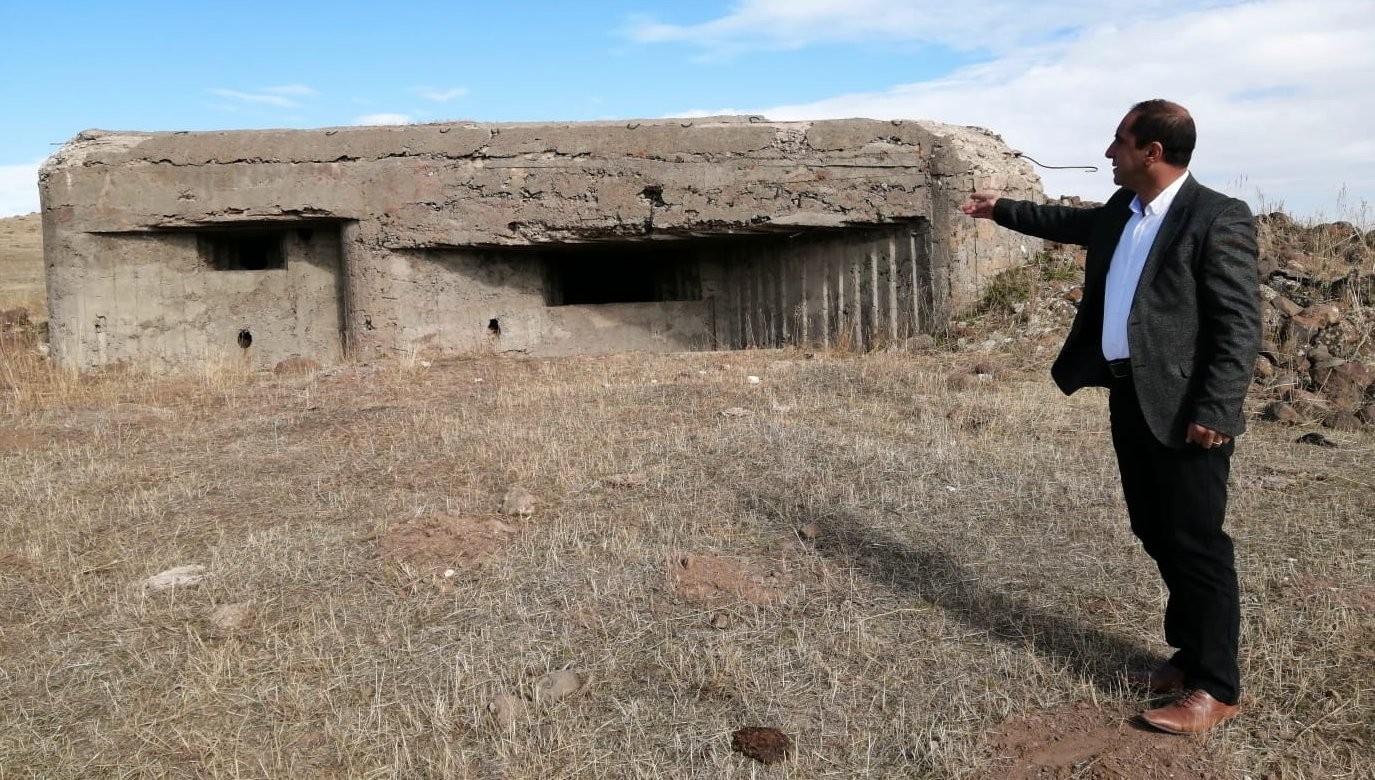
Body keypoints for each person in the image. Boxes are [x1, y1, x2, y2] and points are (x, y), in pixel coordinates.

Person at [961, 99, 1261, 734]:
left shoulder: (1216, 217)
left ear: (1153, 151)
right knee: (1153, 527)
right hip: (1130, 396)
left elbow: (1239, 324)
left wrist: (1217, 407)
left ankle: (1216, 685)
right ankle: (1187, 654)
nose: (1108, 153)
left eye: (1119, 143)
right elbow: (1062, 221)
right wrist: (999, 209)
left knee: (1198, 542)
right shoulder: (1122, 213)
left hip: (1187, 409)